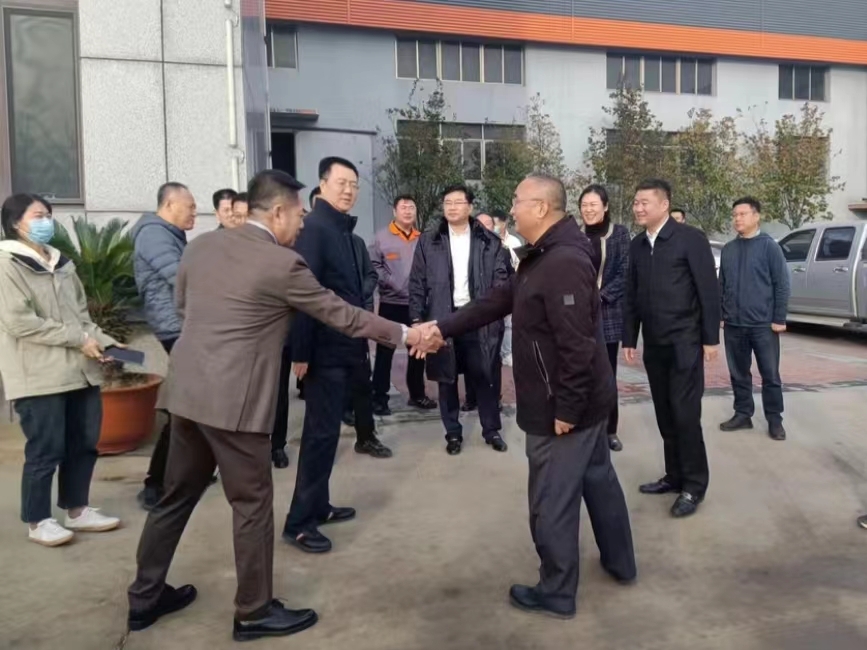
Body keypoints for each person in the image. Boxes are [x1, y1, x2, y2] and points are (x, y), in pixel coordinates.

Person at [127, 169, 418, 641]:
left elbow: (184, 309)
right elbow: (341, 314)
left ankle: (144, 598)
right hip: (236, 405)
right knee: (252, 505)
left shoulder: (200, 247)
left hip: (187, 393)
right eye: (299, 215)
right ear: (278, 212)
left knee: (175, 496)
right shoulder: (281, 264)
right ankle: (254, 611)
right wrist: (405, 334)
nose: (301, 225)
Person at [416, 174, 636, 619]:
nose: (511, 208)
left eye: (517, 200)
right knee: (598, 481)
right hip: (586, 398)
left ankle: (556, 591)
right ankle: (621, 562)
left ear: (540, 208)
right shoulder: (543, 255)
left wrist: (566, 408)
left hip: (564, 405)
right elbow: (498, 300)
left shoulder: (563, 261)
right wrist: (442, 327)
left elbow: (577, 346)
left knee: (551, 501)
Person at [0, 194, 121, 547]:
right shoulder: (7, 264)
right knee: (46, 449)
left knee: (83, 444)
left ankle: (77, 509)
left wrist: (106, 343)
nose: (46, 221)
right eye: (38, 215)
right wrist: (78, 339)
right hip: (38, 374)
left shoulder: (62, 263)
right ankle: (38, 520)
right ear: (15, 223)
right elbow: (19, 322)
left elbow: (81, 317)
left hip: (79, 371)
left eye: (49, 215)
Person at [285, 157, 392, 554]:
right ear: (323, 184)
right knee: (319, 436)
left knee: (329, 435)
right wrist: (301, 352)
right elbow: (304, 294)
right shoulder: (314, 229)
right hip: (324, 351)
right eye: (341, 182)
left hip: (347, 345)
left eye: (354, 184)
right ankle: (299, 522)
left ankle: (319, 505)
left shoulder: (342, 230)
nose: (349, 190)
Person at [622, 179, 720, 518]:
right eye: (636, 202)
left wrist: (710, 338)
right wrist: (629, 337)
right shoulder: (637, 245)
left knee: (685, 414)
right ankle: (674, 475)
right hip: (655, 343)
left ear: (664, 205)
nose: (638, 208)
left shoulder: (690, 239)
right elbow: (632, 294)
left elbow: (708, 291)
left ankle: (694, 485)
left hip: (685, 342)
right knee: (664, 413)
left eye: (644, 202)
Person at [409, 184, 511, 456]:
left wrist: (495, 312)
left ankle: (491, 430)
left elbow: (501, 281)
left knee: (486, 375)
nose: (452, 207)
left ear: (470, 207)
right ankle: (453, 433)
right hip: (443, 317)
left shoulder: (488, 241)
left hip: (478, 317)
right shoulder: (429, 241)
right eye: (448, 203)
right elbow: (417, 282)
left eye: (458, 202)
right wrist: (417, 318)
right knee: (447, 378)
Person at [131, 182, 197, 510]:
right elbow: (183, 278)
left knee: (192, 405)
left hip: (183, 326)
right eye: (190, 206)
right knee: (182, 407)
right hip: (175, 328)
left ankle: (183, 473)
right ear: (170, 204)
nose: (194, 212)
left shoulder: (169, 234)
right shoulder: (155, 235)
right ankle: (155, 482)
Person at [718, 197, 790, 441]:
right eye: (735, 215)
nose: (737, 219)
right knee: (738, 373)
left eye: (743, 214)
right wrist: (721, 314)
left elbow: (782, 284)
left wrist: (779, 318)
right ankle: (743, 414)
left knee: (770, 375)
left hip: (763, 325)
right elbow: (722, 284)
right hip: (734, 324)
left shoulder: (770, 247)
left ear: (756, 216)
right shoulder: (729, 249)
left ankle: (775, 420)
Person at [369, 195, 436, 415]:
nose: (408, 211)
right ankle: (379, 398)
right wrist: (391, 282)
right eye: (403, 207)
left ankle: (417, 395)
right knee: (385, 352)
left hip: (416, 304)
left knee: (417, 351)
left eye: (411, 208)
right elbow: (374, 266)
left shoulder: (422, 239)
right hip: (390, 303)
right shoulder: (381, 238)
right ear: (394, 211)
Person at [578, 184, 630, 453]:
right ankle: (585, 428)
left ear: (605, 207)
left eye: (593, 205)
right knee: (580, 373)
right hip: (577, 315)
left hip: (607, 314)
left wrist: (601, 297)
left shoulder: (619, 234)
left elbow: (625, 271)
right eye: (584, 205)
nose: (588, 210)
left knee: (606, 375)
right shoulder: (574, 235)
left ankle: (610, 430)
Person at [492, 210, 521, 370]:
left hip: (510, 285)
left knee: (509, 323)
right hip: (493, 289)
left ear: (505, 223)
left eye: (497, 224)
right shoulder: (488, 241)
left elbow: (519, 264)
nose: (495, 227)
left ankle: (507, 353)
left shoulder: (514, 242)